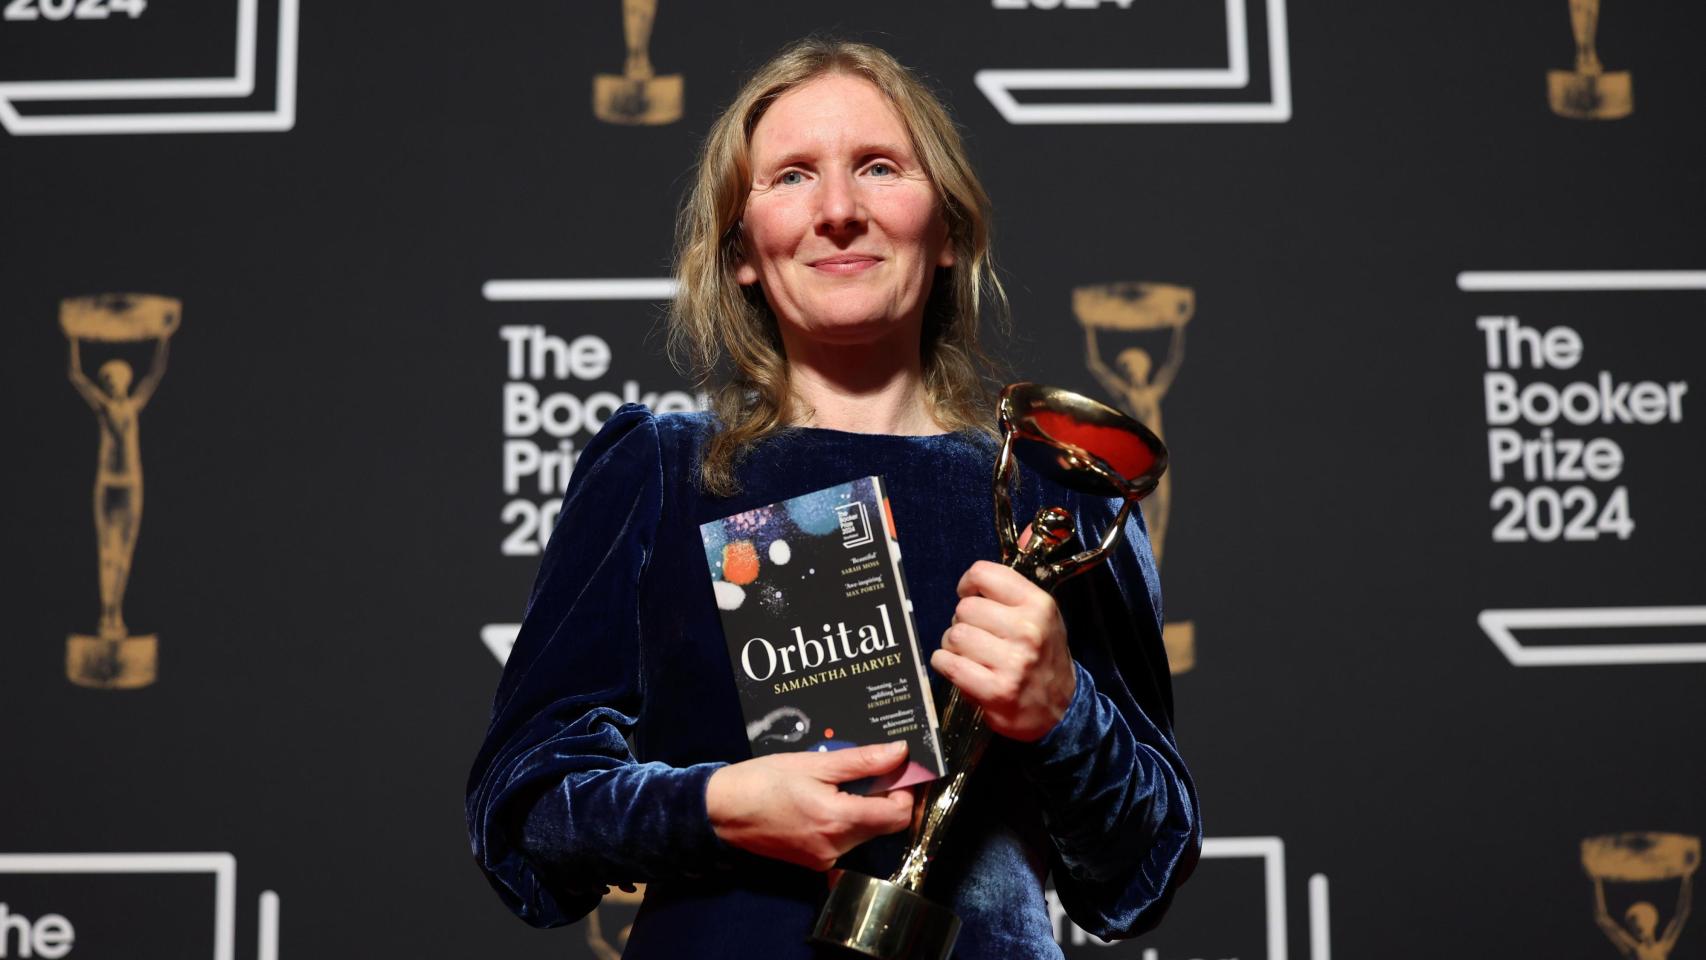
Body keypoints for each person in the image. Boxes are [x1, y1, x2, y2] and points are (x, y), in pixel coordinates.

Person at [466, 38, 1200, 959]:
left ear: (950, 231)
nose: (839, 211)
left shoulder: (1059, 499)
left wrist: (1065, 710)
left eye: (880, 168)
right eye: (791, 178)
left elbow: (1140, 876)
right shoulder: (659, 472)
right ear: (740, 249)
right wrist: (718, 807)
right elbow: (522, 815)